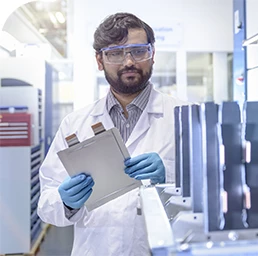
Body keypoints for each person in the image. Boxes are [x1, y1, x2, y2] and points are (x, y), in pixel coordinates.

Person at [37, 12, 186, 256]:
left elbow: (217, 187)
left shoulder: (185, 115)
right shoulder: (74, 124)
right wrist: (65, 201)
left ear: (152, 55)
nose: (129, 62)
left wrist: (172, 174)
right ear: (99, 60)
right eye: (115, 53)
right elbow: (46, 204)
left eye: (138, 50)